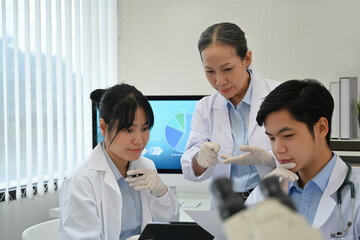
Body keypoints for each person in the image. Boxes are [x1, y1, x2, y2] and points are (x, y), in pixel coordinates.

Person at [59, 84, 180, 240]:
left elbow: (168, 228)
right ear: (103, 127)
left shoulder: (147, 167)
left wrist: (161, 193)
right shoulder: (81, 181)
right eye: (129, 130)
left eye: (145, 128)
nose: (139, 140)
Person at [181, 22, 279, 208]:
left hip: (272, 200)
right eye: (210, 71)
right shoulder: (205, 108)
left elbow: (301, 155)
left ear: (247, 58)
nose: (219, 81)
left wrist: (268, 158)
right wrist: (200, 159)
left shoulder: (281, 95)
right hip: (227, 205)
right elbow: (189, 169)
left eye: (227, 69)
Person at [245, 79, 360, 239]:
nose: (278, 149)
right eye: (272, 138)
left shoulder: (356, 193)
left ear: (321, 128)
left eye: (287, 136)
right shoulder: (265, 193)